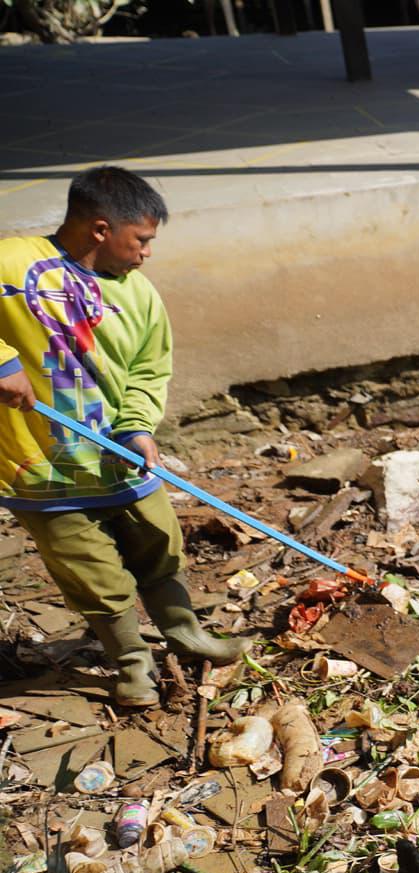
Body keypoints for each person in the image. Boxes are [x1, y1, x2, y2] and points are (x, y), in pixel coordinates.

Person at [0, 166, 245, 708]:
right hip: (37, 464)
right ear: (100, 229)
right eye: (143, 240)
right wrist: (2, 363)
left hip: (117, 457)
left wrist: (137, 426)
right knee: (90, 570)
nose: (147, 253)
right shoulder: (12, 264)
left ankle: (185, 635)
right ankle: (133, 664)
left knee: (159, 543)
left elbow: (149, 370)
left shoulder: (140, 297)